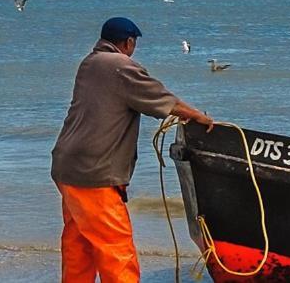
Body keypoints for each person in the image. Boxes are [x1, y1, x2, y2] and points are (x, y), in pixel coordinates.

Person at [51, 17, 213, 283]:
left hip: (66, 168)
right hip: (95, 174)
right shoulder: (121, 66)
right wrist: (197, 116)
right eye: (133, 44)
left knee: (79, 244)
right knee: (116, 247)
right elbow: (160, 98)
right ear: (128, 43)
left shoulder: (89, 63)